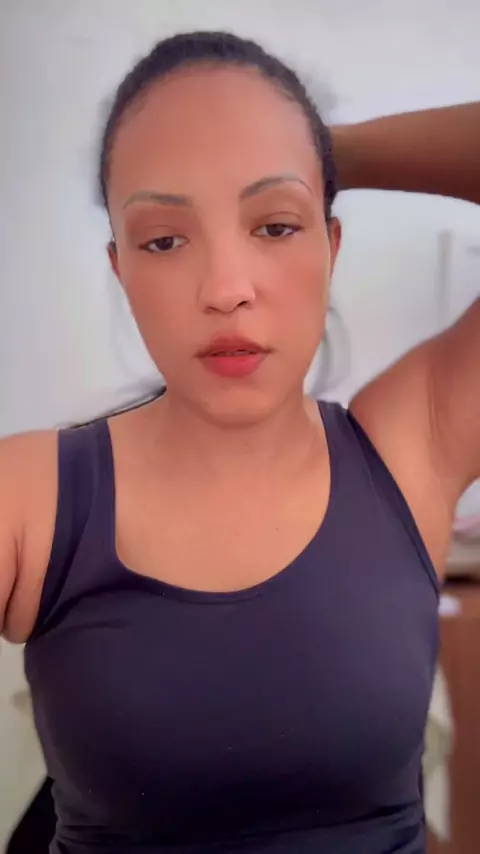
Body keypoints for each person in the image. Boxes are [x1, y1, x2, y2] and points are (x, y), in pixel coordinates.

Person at [0, 30, 479, 854]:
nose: (225, 289)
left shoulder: (411, 449)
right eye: (164, 239)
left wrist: (323, 150)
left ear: (331, 244)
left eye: (277, 224)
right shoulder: (32, 496)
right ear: (120, 271)